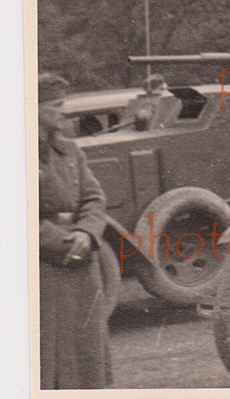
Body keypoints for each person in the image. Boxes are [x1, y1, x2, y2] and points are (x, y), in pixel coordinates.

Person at [38, 73, 114, 389]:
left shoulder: (70, 150)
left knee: (87, 348)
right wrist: (60, 242)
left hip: (81, 260)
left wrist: (85, 232)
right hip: (44, 263)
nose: (63, 111)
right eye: (56, 105)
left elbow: (94, 198)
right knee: (47, 350)